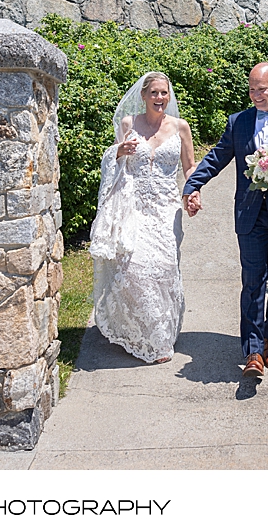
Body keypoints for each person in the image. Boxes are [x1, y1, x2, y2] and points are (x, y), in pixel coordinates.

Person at [183, 63, 268, 378]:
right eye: (252, 89)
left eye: (262, 89)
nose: (256, 95)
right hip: (249, 215)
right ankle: (254, 352)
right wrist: (193, 184)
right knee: (253, 281)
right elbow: (218, 157)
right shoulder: (239, 122)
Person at [89, 72, 197, 364]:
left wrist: (193, 191)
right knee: (134, 266)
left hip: (166, 208)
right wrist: (118, 152)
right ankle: (151, 339)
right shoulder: (128, 124)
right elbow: (117, 162)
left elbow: (189, 167)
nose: (160, 98)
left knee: (163, 268)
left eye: (164, 93)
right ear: (144, 95)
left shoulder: (181, 127)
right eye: (154, 93)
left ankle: (162, 329)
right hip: (133, 206)